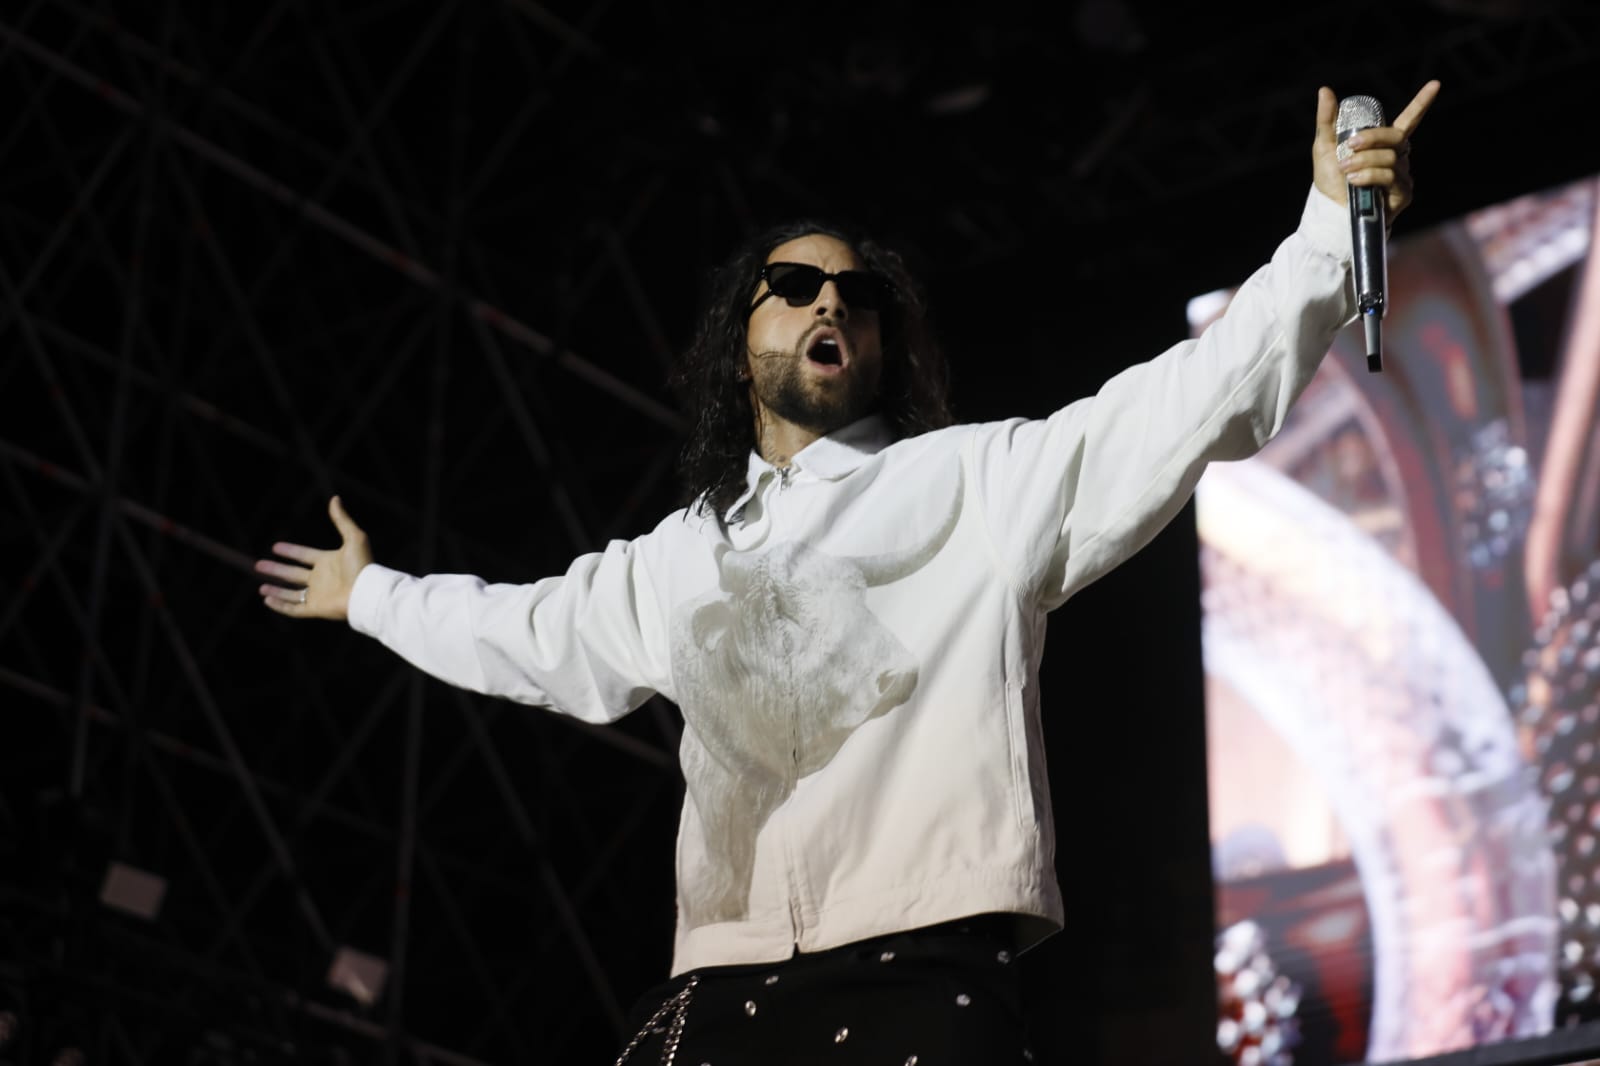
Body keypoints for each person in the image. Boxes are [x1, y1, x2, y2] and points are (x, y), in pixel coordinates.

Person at [255, 83, 1440, 1064]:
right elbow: (529, 634)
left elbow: (1183, 404)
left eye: (858, 296)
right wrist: (370, 594)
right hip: (725, 979)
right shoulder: (684, 555)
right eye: (798, 285)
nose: (833, 299)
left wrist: (1324, 241)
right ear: (738, 351)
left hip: (920, 974)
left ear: (878, 345)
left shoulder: (975, 485)